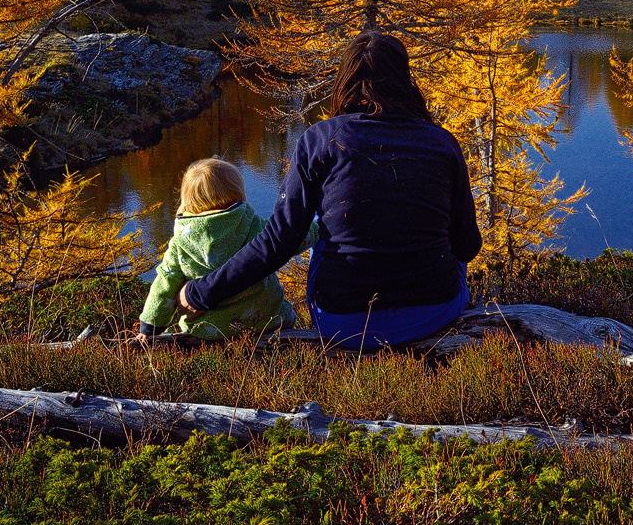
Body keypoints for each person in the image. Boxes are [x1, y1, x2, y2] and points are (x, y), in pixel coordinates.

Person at [178, 32, 482, 350]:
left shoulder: (321, 139)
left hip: (344, 321)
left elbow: (279, 241)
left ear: (345, 80)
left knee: (321, 235)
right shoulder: (442, 142)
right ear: (404, 81)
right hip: (433, 312)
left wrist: (201, 292)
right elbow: (467, 248)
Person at [135, 158, 313, 343]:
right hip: (270, 323)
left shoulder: (181, 242)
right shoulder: (252, 224)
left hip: (210, 333)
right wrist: (321, 227)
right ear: (237, 192)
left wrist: (150, 326)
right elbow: (290, 237)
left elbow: (165, 284)